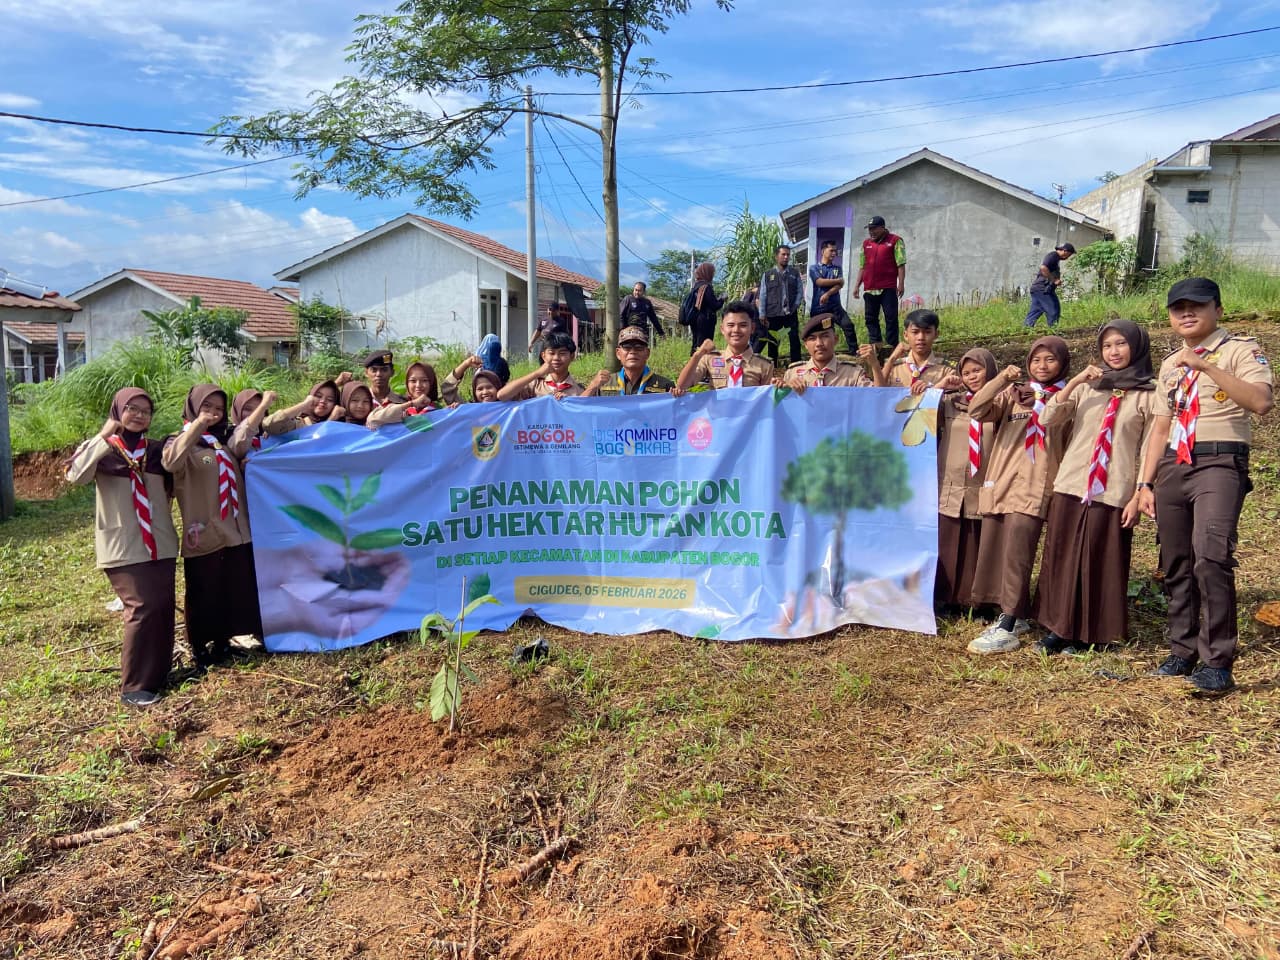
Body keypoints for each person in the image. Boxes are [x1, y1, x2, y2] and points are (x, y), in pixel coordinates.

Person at [1135, 278, 1274, 695]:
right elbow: (1160, 426)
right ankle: (1183, 649)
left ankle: (1217, 660)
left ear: (1218, 308)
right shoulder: (1169, 364)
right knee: (1176, 559)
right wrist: (1145, 483)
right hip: (1175, 463)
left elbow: (1261, 402)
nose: (1186, 314)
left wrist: (1208, 366)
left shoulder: (1240, 350)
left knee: (1210, 556)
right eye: (1178, 308)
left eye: (1196, 305)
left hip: (1219, 460)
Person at [1031, 320, 1160, 654]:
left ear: (1136, 346)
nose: (1113, 352)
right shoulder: (1089, 387)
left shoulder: (1149, 392)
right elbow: (1047, 419)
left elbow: (1149, 447)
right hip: (1072, 483)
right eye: (1106, 346)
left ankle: (1093, 633)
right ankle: (1058, 629)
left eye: (1120, 344)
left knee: (1101, 560)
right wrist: (1074, 381)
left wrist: (1140, 492)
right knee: (1062, 556)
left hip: (1113, 489)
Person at [65, 388, 180, 707]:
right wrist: (104, 435)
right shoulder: (102, 450)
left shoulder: (156, 451)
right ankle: (134, 687)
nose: (140, 415)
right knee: (141, 607)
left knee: (162, 607)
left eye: (146, 410)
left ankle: (158, 676)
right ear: (117, 411)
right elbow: (75, 476)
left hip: (160, 540)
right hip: (122, 544)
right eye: (132, 408)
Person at [966, 337, 1073, 654]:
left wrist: (1043, 397)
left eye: (1050, 360)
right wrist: (1002, 379)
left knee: (1018, 553)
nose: (1042, 366)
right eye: (1036, 360)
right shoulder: (1011, 397)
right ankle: (1013, 612)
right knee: (997, 551)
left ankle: (1008, 625)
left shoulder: (1068, 398)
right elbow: (977, 408)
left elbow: (1057, 424)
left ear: (1063, 364)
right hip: (1001, 482)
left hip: (1035, 485)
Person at [162, 385, 261, 669]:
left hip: (234, 527)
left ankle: (223, 641)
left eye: (218, 409)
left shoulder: (221, 442)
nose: (214, 413)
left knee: (231, 584)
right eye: (207, 407)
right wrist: (197, 426)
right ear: (193, 407)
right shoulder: (180, 441)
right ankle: (199, 646)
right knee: (203, 588)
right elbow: (170, 463)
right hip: (203, 528)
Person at [933, 349, 998, 610]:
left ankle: (977, 600)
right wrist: (939, 387)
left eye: (978, 370)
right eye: (966, 372)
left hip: (983, 481)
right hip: (950, 481)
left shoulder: (1003, 402)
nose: (972, 377)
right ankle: (945, 597)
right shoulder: (951, 402)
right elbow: (918, 411)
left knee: (977, 541)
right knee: (948, 539)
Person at [674, 301, 774, 393]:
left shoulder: (764, 365)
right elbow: (682, 387)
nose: (736, 330)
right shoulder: (710, 359)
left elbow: (767, 401)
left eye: (743, 325)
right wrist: (698, 354)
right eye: (730, 325)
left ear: (752, 328)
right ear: (722, 329)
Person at [781, 314, 884, 391]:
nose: (819, 343)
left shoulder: (853, 374)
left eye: (824, 336)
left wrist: (875, 365)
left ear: (835, 339)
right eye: (812, 338)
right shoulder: (793, 374)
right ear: (805, 345)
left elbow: (878, 399)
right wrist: (785, 390)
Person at [854, 215, 906, 346]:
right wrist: (857, 286)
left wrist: (901, 284)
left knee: (891, 317)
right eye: (869, 229)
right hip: (870, 287)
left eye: (874, 229)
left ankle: (892, 345)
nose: (871, 232)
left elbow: (901, 264)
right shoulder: (866, 244)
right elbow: (862, 266)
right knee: (870, 319)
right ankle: (876, 344)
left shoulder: (895, 241)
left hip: (887, 287)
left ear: (883, 228)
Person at [583, 326, 675, 396]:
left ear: (647, 353)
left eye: (639, 347)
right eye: (627, 347)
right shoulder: (604, 384)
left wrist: (679, 396)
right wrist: (593, 386)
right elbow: (578, 410)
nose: (632, 352)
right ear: (618, 353)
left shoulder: (665, 386)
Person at [882, 310, 954, 393]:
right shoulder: (893, 367)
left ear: (936, 334)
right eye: (915, 332)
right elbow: (876, 393)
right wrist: (892, 359)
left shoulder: (947, 369)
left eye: (927, 332)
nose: (921, 337)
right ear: (905, 335)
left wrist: (932, 389)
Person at [499, 331, 584, 400]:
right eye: (551, 353)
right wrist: (537, 373)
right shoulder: (534, 386)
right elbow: (502, 395)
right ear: (543, 356)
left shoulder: (579, 390)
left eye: (562, 353)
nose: (556, 358)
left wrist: (569, 403)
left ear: (572, 356)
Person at [758, 244, 803, 364]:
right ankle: (773, 366)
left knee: (794, 339)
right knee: (772, 340)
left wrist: (796, 305)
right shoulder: (768, 275)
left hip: (790, 312)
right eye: (783, 254)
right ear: (776, 256)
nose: (786, 257)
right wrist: (762, 313)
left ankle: (796, 364)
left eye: (788, 255)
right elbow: (763, 294)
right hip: (773, 313)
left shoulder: (794, 273)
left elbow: (800, 291)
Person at [809, 240, 857, 352]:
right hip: (819, 308)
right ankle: (822, 354)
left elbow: (839, 286)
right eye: (831, 250)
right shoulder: (814, 268)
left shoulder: (837, 268)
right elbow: (820, 282)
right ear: (823, 251)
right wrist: (838, 280)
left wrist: (828, 293)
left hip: (835, 306)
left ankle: (854, 352)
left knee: (848, 325)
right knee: (822, 333)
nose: (834, 253)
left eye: (835, 251)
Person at [367, 361, 443, 427]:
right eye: (413, 381)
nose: (418, 385)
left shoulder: (438, 410)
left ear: (431, 383)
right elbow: (372, 421)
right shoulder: (398, 404)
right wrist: (412, 404)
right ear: (407, 383)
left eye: (424, 380)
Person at [1024, 242, 1076, 329]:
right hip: (1043, 289)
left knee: (1036, 310)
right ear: (1065, 251)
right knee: (1053, 309)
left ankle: (1027, 329)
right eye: (1069, 254)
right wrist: (1054, 280)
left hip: (1038, 289)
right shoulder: (1054, 255)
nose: (1068, 257)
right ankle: (1052, 330)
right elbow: (1043, 268)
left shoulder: (1055, 258)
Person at [262, 380, 342, 434]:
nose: (323, 401)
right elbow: (268, 425)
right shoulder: (300, 424)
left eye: (330, 399)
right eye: (318, 396)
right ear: (310, 396)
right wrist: (304, 404)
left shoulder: (341, 426)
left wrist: (333, 419)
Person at [681, 262, 724, 355]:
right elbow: (714, 305)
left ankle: (693, 364)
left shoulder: (696, 286)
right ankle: (701, 365)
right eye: (712, 272)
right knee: (704, 344)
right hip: (705, 320)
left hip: (695, 319)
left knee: (696, 342)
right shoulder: (706, 287)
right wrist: (722, 299)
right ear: (707, 273)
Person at [228, 388, 278, 458]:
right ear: (237, 409)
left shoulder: (268, 432)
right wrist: (263, 405)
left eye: (259, 410)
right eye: (248, 409)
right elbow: (242, 439)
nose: (254, 414)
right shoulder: (229, 434)